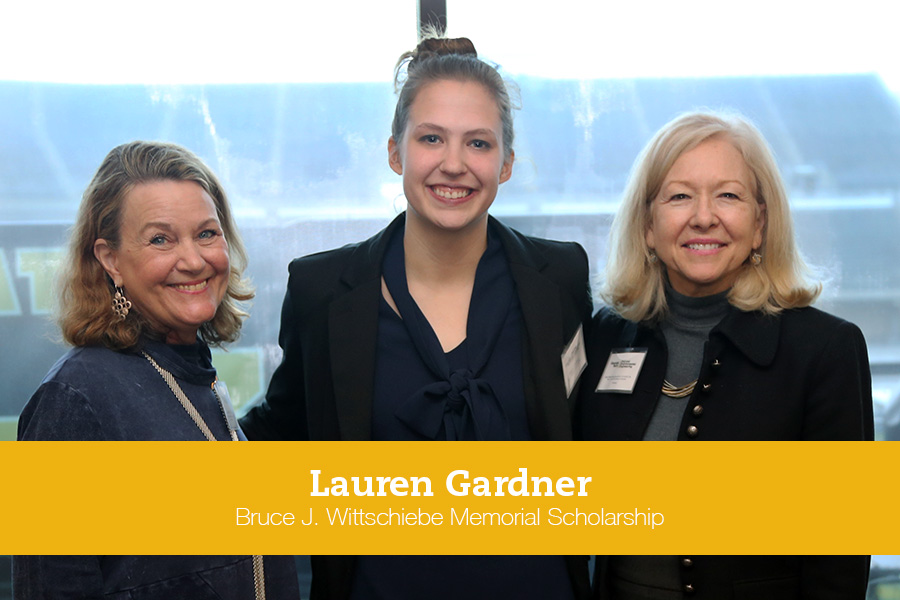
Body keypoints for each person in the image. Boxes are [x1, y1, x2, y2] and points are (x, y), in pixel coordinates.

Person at [240, 33, 592, 599]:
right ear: (396, 152)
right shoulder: (323, 292)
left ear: (505, 164)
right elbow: (278, 433)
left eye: (479, 143)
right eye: (432, 138)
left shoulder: (559, 278)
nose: (454, 164)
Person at [577, 111, 873, 599]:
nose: (703, 215)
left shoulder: (826, 351)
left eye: (728, 195)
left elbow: (841, 552)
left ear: (760, 223)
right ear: (648, 225)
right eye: (679, 196)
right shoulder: (607, 335)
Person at [15, 141, 301, 600]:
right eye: (161, 239)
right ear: (110, 260)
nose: (193, 260)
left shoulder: (196, 381)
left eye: (207, 233)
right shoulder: (75, 400)